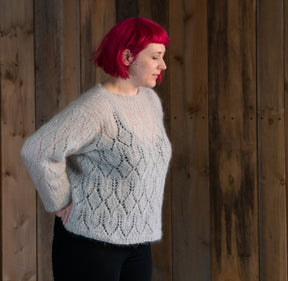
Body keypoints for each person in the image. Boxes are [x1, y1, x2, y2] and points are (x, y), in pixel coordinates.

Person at [21, 17, 171, 281]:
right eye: (156, 57)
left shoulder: (149, 100)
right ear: (127, 56)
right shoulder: (96, 108)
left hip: (138, 242)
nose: (163, 65)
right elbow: (38, 149)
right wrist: (60, 200)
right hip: (90, 243)